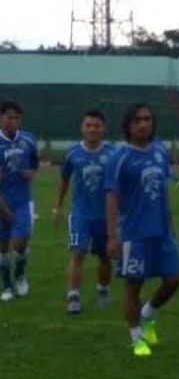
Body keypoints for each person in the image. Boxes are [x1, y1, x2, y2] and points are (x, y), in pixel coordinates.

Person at [104, 103, 179, 357]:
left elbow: (163, 190)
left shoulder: (159, 150)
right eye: (137, 120)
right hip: (134, 233)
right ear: (128, 124)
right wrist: (112, 236)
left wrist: (170, 222)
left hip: (161, 229)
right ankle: (137, 337)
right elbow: (111, 197)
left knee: (173, 279)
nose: (143, 124)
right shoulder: (119, 156)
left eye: (147, 119)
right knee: (133, 285)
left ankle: (148, 314)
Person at [53, 110, 115, 314]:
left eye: (97, 125)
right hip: (80, 212)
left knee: (105, 257)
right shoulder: (72, 153)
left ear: (103, 128)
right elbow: (64, 180)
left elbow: (121, 184)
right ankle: (73, 296)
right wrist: (57, 206)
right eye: (88, 125)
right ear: (82, 128)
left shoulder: (113, 153)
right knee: (77, 252)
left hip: (106, 215)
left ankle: (103, 289)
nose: (92, 129)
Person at [0, 101, 38, 302]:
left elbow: (34, 159)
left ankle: (20, 275)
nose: (13, 121)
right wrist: (4, 210)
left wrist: (32, 171)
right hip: (2, 200)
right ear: (0, 118)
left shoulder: (28, 139)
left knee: (20, 242)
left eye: (16, 117)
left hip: (23, 200)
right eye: (8, 117)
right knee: (3, 246)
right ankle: (6, 285)